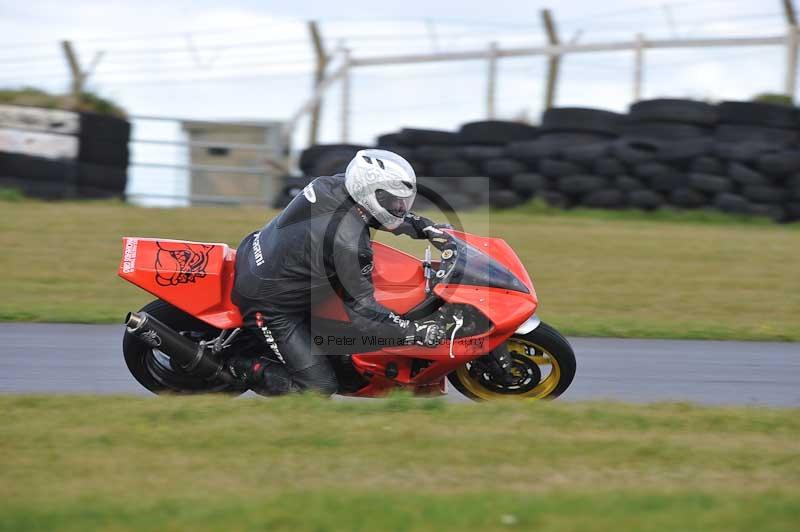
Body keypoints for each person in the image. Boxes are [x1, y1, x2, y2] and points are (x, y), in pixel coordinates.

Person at [227, 149, 452, 396]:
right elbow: (366, 317)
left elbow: (371, 213)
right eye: (392, 200)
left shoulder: (332, 184)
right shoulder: (350, 243)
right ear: (368, 192)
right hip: (267, 302)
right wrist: (415, 332)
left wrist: (423, 227)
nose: (399, 207)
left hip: (258, 251)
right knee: (317, 389)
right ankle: (238, 365)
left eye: (403, 201)